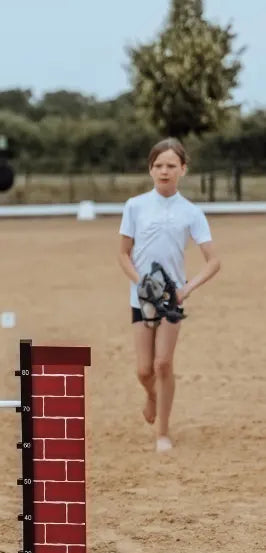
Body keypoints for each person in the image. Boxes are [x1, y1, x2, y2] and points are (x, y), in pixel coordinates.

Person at [118, 138, 221, 452]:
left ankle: (162, 433)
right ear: (150, 169)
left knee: (163, 364)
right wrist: (140, 283)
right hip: (141, 300)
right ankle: (152, 394)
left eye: (171, 166)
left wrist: (185, 289)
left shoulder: (191, 212)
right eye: (158, 165)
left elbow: (214, 261)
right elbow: (123, 254)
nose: (164, 171)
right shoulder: (134, 206)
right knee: (144, 370)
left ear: (183, 169)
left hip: (171, 302)